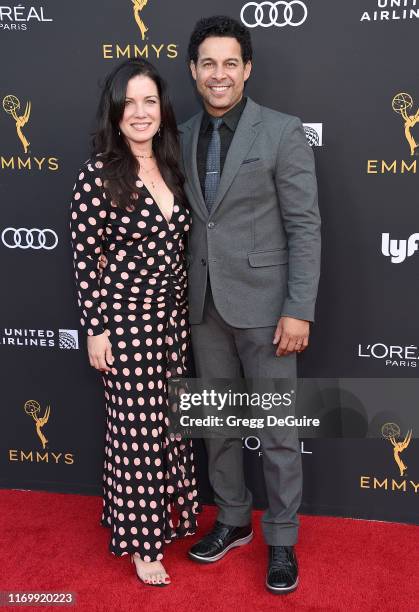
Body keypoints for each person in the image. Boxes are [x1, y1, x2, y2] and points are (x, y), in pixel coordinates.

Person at [179, 16, 321, 594]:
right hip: (203, 304)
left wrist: (299, 306)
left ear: (247, 69)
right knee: (218, 424)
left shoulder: (283, 132)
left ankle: (281, 541)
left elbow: (305, 226)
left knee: (279, 431)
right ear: (193, 71)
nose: (219, 74)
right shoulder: (181, 133)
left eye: (230, 63)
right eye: (208, 63)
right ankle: (233, 520)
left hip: (268, 310)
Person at [69, 58, 200, 587]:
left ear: (162, 109)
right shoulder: (98, 174)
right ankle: (143, 545)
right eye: (130, 103)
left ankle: (153, 516)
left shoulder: (172, 166)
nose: (140, 112)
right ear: (115, 112)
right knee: (137, 434)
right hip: (126, 325)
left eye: (150, 101)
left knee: (166, 426)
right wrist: (96, 329)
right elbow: (84, 258)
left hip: (172, 325)